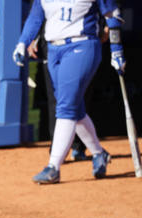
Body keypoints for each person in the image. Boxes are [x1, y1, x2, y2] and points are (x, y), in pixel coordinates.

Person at [13, 0, 126, 184]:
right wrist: (22, 43)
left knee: (65, 107)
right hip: (53, 50)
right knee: (76, 109)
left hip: (82, 45)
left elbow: (112, 16)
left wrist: (116, 50)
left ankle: (53, 167)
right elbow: (35, 17)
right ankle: (99, 153)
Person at [28, 19, 111, 161]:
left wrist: (107, 27)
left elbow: (109, 9)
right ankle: (58, 153)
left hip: (83, 45)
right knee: (57, 100)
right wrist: (30, 38)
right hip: (52, 45)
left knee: (80, 100)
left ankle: (79, 148)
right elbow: (37, 11)